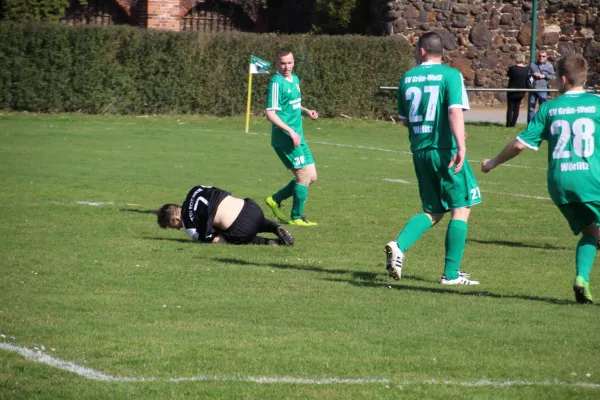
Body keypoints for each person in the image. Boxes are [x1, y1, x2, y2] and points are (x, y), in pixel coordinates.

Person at [482, 54, 600, 303]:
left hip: (560, 185)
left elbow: (519, 145)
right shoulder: (597, 105)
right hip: (592, 180)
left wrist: (493, 162)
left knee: (590, 232)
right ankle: (581, 278)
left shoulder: (549, 108)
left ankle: (582, 278)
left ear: (563, 79)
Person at [385, 31, 482, 285]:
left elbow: (405, 120)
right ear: (441, 52)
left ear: (422, 51)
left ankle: (399, 244)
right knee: (461, 208)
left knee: (434, 209)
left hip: (420, 151)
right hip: (445, 150)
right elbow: (453, 111)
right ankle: (450, 274)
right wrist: (461, 145)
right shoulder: (451, 75)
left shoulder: (407, 78)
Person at [264, 48, 320, 227]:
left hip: (297, 136)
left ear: (294, 62)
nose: (286, 66)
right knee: (303, 176)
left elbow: (292, 103)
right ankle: (296, 217)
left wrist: (306, 110)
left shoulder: (294, 79)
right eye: (283, 63)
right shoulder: (276, 83)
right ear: (277, 63)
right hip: (285, 138)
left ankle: (275, 199)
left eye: (289, 62)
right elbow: (270, 113)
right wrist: (290, 131)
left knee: (311, 176)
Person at [157, 185, 295, 246]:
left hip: (242, 229)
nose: (177, 229)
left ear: (175, 219)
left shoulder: (188, 225)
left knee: (231, 235)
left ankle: (269, 242)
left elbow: (215, 240)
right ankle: (275, 227)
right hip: (253, 208)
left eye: (173, 226)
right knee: (252, 219)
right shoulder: (196, 189)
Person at [528, 50, 556, 123]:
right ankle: (530, 125)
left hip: (543, 89)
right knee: (531, 108)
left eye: (543, 56)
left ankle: (541, 123)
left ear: (546, 57)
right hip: (533, 89)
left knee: (542, 108)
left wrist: (544, 76)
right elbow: (527, 74)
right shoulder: (532, 65)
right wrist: (533, 74)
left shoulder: (549, 66)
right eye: (540, 56)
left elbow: (553, 76)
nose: (541, 57)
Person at [506, 53, 529, 127]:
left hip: (512, 90)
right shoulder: (526, 69)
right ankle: (513, 124)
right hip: (521, 90)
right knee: (517, 107)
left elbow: (508, 75)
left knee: (510, 107)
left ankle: (508, 124)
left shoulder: (513, 68)